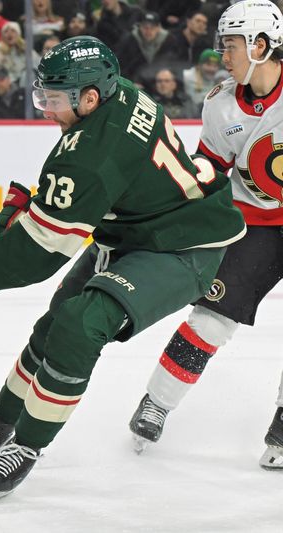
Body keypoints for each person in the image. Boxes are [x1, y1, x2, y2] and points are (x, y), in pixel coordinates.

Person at [0, 35, 245, 505]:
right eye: (42, 96)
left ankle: (26, 445)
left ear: (90, 97)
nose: (45, 109)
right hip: (133, 233)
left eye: (54, 100)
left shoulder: (89, 157)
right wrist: (40, 211)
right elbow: (103, 188)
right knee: (53, 324)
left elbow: (37, 255)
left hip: (184, 247)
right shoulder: (121, 93)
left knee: (80, 325)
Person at [128, 0, 283, 471]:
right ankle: (156, 402)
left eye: (231, 45)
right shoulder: (219, 102)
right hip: (254, 225)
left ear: (261, 45)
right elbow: (212, 170)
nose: (222, 55)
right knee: (211, 318)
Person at [115, 11, 177, 85]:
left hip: (160, 83)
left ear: (158, 28)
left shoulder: (169, 41)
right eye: (145, 27)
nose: (148, 31)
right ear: (140, 27)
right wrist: (130, 83)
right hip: (134, 83)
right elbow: (121, 64)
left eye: (152, 28)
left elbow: (173, 65)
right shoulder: (130, 40)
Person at [0, 21, 40, 87]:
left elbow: (38, 65)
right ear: (2, 36)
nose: (9, 34)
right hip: (6, 84)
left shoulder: (27, 50)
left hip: (26, 83)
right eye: (6, 31)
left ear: (19, 34)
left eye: (13, 31)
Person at [182, 48, 228, 113]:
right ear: (199, 65)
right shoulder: (187, 76)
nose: (211, 69)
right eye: (208, 65)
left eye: (215, 66)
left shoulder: (220, 78)